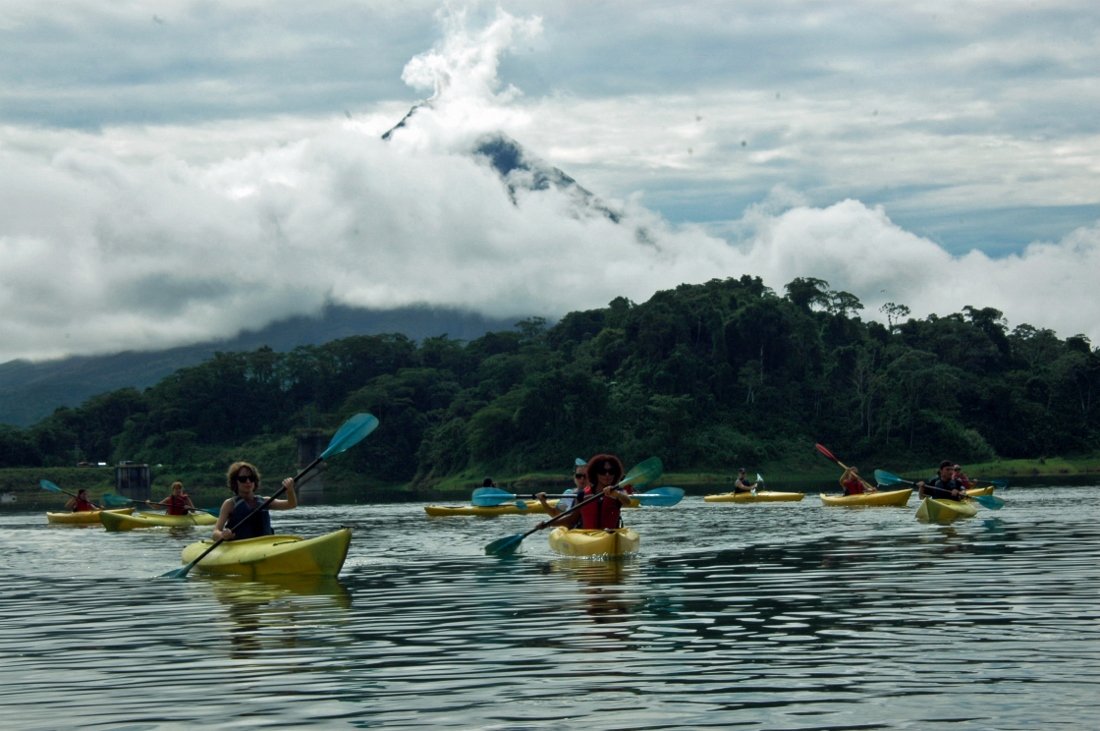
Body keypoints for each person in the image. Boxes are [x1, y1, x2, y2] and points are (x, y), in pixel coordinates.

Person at [539, 454, 633, 530]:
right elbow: (571, 520)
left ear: (615, 473)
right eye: (602, 471)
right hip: (588, 537)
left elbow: (627, 501)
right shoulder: (582, 495)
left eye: (611, 471)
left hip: (610, 536)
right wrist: (548, 524)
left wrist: (617, 494)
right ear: (595, 473)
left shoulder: (619, 492)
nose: (607, 475)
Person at [213, 461, 297, 541]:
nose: (248, 481)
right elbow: (215, 532)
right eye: (243, 479)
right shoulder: (230, 504)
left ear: (255, 481)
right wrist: (223, 535)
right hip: (240, 545)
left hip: (265, 544)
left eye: (251, 478)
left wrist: (290, 490)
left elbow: (291, 504)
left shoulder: (265, 501)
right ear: (235, 482)